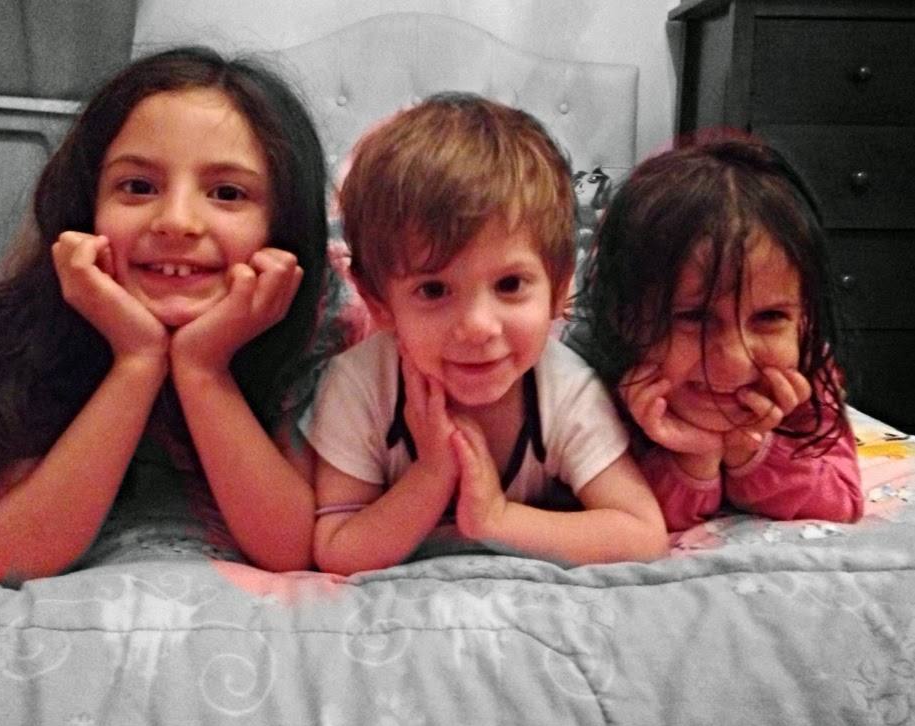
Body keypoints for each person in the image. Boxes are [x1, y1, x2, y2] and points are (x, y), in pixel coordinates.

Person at [0, 46, 349, 584]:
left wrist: (203, 368)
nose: (176, 221)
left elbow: (290, 547)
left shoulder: (325, 330)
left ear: (282, 226)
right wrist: (136, 358)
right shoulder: (37, 323)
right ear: (87, 208)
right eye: (138, 187)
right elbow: (15, 557)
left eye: (227, 193)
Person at [301, 93, 669, 576]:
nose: (478, 327)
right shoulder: (359, 385)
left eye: (510, 285)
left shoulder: (565, 390)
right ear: (379, 304)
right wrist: (432, 474)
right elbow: (336, 548)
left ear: (560, 288)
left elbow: (642, 534)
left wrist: (497, 519)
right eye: (434, 290)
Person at [569, 134, 864, 532]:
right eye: (694, 317)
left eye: (770, 317)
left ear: (805, 317)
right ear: (623, 316)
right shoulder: (586, 385)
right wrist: (694, 459)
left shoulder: (806, 371)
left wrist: (748, 449)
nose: (735, 362)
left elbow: (843, 501)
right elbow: (626, 526)